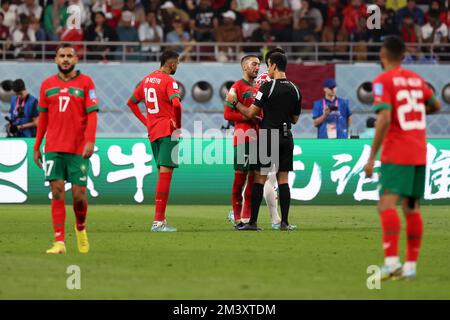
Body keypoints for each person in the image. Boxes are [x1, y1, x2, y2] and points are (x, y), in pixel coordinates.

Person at [363, 36, 441, 280]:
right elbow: (436, 104)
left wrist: (371, 156)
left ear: (383, 55)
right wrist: (417, 109)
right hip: (419, 150)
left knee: (386, 204)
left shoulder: (382, 81)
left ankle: (392, 262)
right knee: (411, 208)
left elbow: (384, 118)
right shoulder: (417, 80)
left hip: (397, 150)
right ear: (404, 56)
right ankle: (410, 266)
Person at [33, 43, 99, 254]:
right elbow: (42, 118)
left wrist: (90, 141)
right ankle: (59, 241)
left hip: (78, 148)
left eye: (69, 55)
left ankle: (80, 228)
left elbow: (92, 115)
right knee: (57, 192)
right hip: (53, 147)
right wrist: (37, 145)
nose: (65, 59)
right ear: (55, 60)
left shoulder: (86, 83)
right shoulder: (46, 85)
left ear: (76, 59)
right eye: (61, 55)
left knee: (79, 196)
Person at [233, 52, 302, 231]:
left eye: (268, 65)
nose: (266, 69)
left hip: (268, 136)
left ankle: (253, 222)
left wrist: (235, 104)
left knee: (260, 179)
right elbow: (295, 119)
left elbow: (250, 113)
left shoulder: (267, 88)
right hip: (287, 137)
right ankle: (284, 222)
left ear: (273, 66)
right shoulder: (295, 89)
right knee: (283, 180)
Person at [126, 50, 182, 232]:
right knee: (166, 174)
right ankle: (158, 222)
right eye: (177, 63)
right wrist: (178, 125)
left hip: (154, 131)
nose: (177, 67)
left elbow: (131, 102)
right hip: (167, 130)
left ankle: (160, 219)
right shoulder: (169, 81)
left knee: (162, 173)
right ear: (171, 64)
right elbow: (177, 104)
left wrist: (146, 121)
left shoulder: (147, 79)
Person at [223, 54, 260, 229]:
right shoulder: (236, 87)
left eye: (259, 64)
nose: (257, 67)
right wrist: (250, 117)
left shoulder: (260, 87)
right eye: (254, 64)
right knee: (240, 178)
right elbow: (227, 114)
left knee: (254, 178)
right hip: (243, 137)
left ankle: (247, 217)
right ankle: (237, 217)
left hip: (259, 137)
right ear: (244, 67)